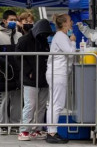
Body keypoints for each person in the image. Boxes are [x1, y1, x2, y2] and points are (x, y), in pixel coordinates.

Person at [16, 19, 52, 141]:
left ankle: (37, 129)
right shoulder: (24, 41)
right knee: (30, 105)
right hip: (30, 78)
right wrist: (28, 72)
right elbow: (19, 58)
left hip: (43, 77)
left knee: (41, 105)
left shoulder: (43, 39)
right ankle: (24, 130)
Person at [45, 14, 76, 144]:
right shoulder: (61, 37)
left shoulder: (60, 36)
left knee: (54, 102)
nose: (72, 23)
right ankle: (51, 132)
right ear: (64, 24)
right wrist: (73, 40)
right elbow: (70, 52)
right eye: (69, 21)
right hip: (58, 73)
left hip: (56, 72)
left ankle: (52, 131)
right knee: (57, 103)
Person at [0, 10, 22, 135]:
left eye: (15, 20)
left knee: (17, 100)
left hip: (18, 73)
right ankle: (3, 124)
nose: (13, 22)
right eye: (11, 20)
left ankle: (15, 124)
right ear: (5, 21)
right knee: (3, 100)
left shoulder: (19, 36)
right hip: (3, 73)